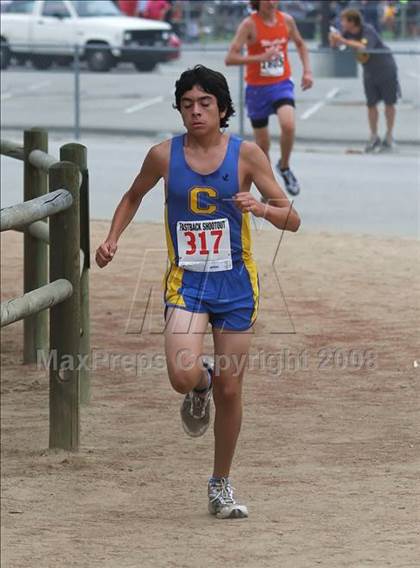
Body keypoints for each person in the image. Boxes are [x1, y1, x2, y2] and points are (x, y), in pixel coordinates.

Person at [95, 65, 300, 519]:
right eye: (187, 104)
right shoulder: (163, 156)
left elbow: (293, 218)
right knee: (181, 375)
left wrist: (261, 207)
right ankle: (199, 383)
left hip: (235, 286)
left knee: (233, 388)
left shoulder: (246, 155)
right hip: (186, 283)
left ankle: (220, 483)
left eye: (205, 103)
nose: (196, 111)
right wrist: (113, 238)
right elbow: (133, 196)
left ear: (223, 108)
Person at [225, 0, 314, 196]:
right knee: (262, 144)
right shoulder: (249, 24)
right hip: (257, 89)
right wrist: (259, 58)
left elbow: (300, 44)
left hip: (281, 83)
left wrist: (307, 71)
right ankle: (268, 185)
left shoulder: (287, 21)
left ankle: (284, 166)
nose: (271, 3)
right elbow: (230, 58)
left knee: (288, 124)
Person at [330, 8, 400, 152]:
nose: (342, 24)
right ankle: (374, 136)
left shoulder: (367, 30)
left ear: (352, 21)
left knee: (389, 103)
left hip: (385, 68)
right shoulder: (346, 33)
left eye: (344, 20)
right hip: (369, 71)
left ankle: (389, 136)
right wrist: (334, 40)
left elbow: (364, 47)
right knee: (371, 104)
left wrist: (342, 40)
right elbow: (338, 47)